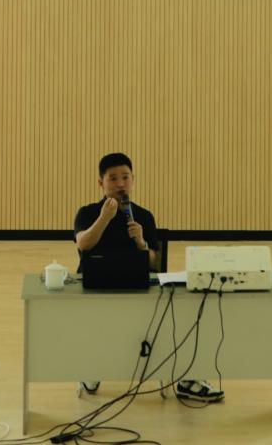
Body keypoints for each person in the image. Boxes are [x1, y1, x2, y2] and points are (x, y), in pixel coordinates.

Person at [72, 152, 224, 404]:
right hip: (95, 290)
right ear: (101, 183)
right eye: (113, 179)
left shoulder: (143, 216)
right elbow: (83, 244)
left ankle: (187, 379)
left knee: (181, 312)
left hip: (137, 289)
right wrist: (104, 218)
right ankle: (92, 365)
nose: (120, 184)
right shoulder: (88, 213)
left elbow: (155, 262)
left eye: (125, 177)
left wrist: (141, 243)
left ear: (133, 180)